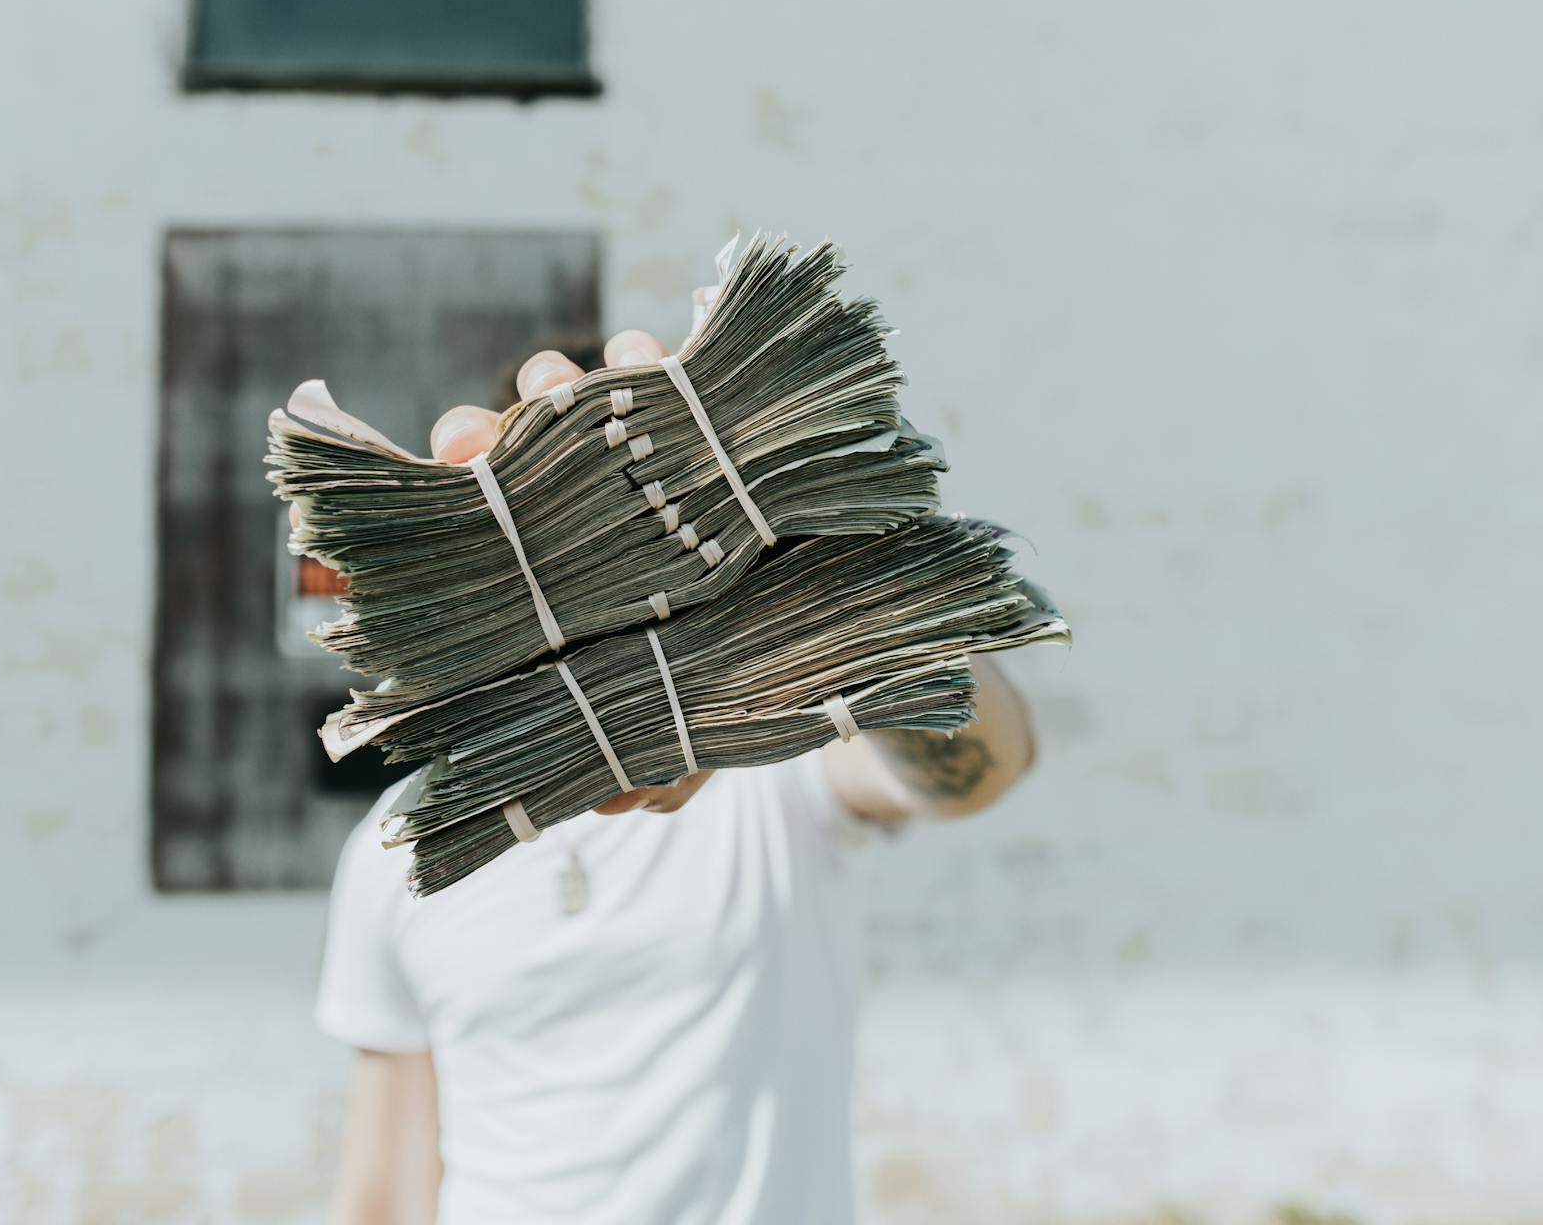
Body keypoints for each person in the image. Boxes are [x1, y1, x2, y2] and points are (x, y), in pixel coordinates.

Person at [293, 328, 1038, 1225]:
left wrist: (815, 568)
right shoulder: (402, 846)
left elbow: (981, 769)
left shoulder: (779, 768)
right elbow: (383, 1196)